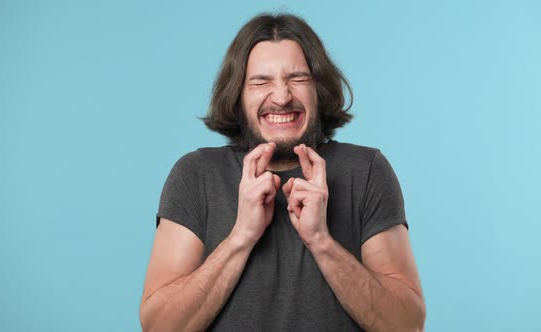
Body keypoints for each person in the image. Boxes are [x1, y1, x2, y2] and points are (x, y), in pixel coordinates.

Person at [140, 13, 425, 331]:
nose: (281, 96)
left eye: (298, 78)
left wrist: (321, 241)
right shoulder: (196, 174)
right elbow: (159, 326)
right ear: (238, 95)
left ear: (319, 89)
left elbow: (407, 324)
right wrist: (240, 237)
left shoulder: (367, 170)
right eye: (261, 81)